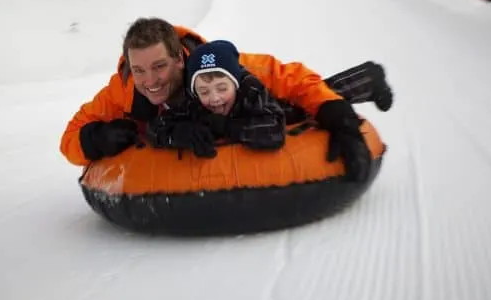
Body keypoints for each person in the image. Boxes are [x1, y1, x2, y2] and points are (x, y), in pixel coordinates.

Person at [59, 18, 389, 183]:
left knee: (292, 107)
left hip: (246, 109)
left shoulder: (213, 70)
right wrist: (94, 139)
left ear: (179, 60)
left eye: (159, 66)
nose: (150, 81)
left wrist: (342, 121)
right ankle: (364, 80)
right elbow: (70, 138)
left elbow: (295, 79)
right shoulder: (125, 88)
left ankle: (363, 80)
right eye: (139, 69)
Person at [145, 40, 286, 158]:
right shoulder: (192, 102)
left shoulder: (250, 90)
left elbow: (275, 128)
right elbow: (154, 128)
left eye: (222, 88)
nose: (214, 98)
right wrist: (182, 133)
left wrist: (227, 127)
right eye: (204, 91)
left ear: (235, 84)